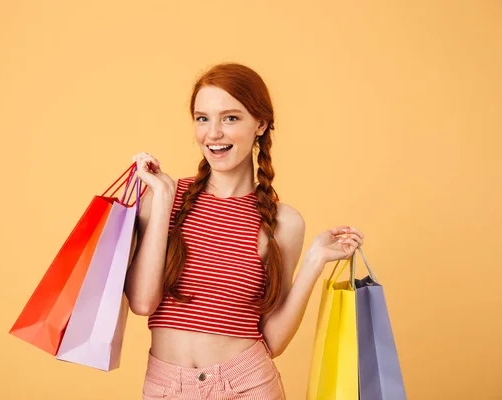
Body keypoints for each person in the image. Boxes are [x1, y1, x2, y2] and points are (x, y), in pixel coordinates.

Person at [124, 62, 365, 399]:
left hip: (247, 385)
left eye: (231, 118)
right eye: (202, 118)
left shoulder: (283, 222)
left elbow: (273, 340)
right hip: (166, 387)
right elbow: (142, 302)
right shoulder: (163, 197)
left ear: (261, 125)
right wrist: (163, 199)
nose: (214, 133)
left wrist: (315, 260)